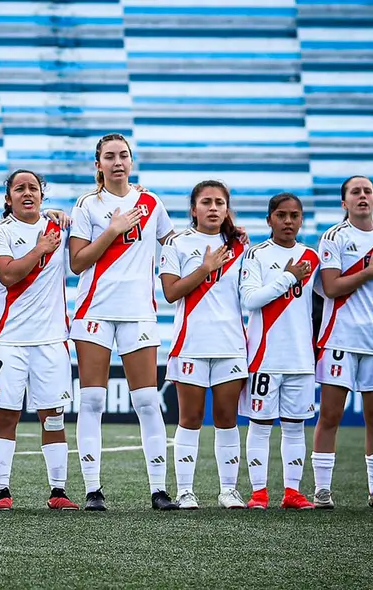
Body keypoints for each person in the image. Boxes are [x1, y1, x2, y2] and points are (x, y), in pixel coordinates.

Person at [68, 133, 178, 510]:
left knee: (147, 400)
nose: (117, 162)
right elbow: (78, 262)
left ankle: (159, 490)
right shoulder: (87, 205)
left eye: (123, 155)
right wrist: (112, 230)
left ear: (132, 162)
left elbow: (175, 243)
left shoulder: (151, 202)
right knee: (93, 400)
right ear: (97, 164)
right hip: (94, 310)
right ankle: (93, 490)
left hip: (138, 311)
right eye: (109, 156)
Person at [311, 175, 373, 509]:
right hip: (340, 338)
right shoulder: (333, 238)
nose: (363, 196)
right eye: (356, 192)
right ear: (345, 203)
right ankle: (322, 490)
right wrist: (368, 271)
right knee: (330, 416)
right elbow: (332, 287)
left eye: (368, 191)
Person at [0, 169, 78, 511]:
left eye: (33, 188)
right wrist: (40, 248)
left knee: (53, 417)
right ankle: (1, 491)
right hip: (8, 339)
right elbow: (8, 274)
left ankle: (58, 491)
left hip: (51, 340)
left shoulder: (59, 228)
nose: (27, 193)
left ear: (42, 195)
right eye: (19, 188)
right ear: (8, 198)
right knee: (5, 417)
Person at [160, 180, 248, 509]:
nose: (213, 208)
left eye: (219, 202)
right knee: (191, 418)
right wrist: (206, 268)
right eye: (206, 202)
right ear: (193, 208)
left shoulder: (240, 247)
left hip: (231, 344)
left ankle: (228, 490)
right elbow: (171, 292)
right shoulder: (178, 244)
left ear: (227, 209)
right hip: (191, 343)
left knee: (227, 419)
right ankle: (185, 491)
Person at [239, 192, 318, 510]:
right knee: (260, 424)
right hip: (265, 356)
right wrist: (289, 276)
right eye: (282, 215)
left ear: (301, 219)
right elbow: (251, 300)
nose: (288, 221)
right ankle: (259, 493)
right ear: (269, 219)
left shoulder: (311, 256)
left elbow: (331, 292)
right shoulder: (257, 254)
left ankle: (293, 492)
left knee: (295, 426)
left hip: (300, 357)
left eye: (294, 216)